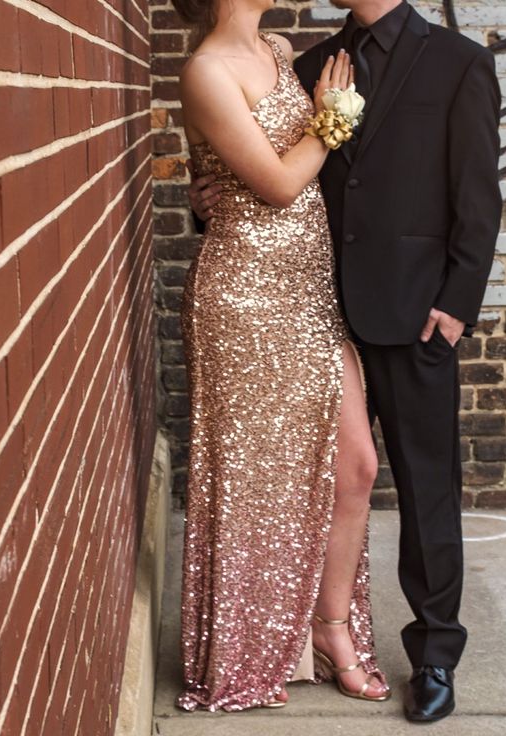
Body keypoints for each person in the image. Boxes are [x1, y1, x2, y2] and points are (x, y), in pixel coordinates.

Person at [189, 0, 502, 723]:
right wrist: (206, 204)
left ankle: (434, 654)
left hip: (413, 311)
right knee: (329, 474)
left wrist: (456, 302)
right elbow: (267, 172)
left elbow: (478, 195)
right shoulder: (302, 63)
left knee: (427, 488)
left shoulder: (458, 63)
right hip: (305, 308)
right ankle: (303, 634)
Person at [172, 0, 392, 714]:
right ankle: (251, 646)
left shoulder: (278, 45)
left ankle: (329, 629)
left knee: (354, 464)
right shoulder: (206, 70)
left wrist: (203, 191)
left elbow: (235, 176)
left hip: (309, 294)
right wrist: (335, 116)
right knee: (254, 484)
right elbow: (276, 183)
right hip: (245, 300)